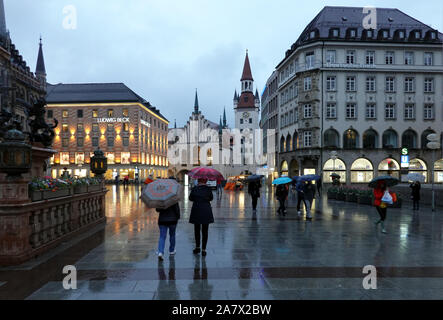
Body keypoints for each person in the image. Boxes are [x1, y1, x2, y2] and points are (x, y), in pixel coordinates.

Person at [189, 178, 214, 257]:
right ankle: (204, 249)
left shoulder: (195, 188)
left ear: (198, 181)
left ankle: (197, 247)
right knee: (205, 230)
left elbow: (190, 198)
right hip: (206, 210)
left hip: (196, 210)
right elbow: (211, 198)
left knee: (196, 230)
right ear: (206, 181)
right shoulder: (208, 189)